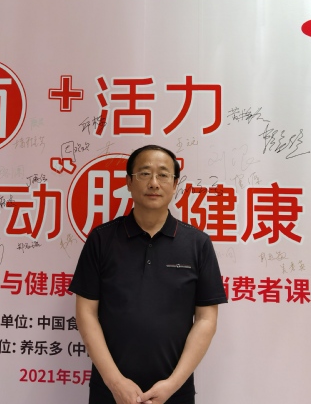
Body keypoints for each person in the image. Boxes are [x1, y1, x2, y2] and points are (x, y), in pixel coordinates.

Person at [69, 144, 228, 404]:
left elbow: (206, 319)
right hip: (110, 391)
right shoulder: (102, 239)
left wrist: (172, 385)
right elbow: (86, 313)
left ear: (175, 185)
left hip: (174, 392)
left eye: (163, 175)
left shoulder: (197, 244)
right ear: (129, 182)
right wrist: (115, 382)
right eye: (144, 173)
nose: (154, 183)